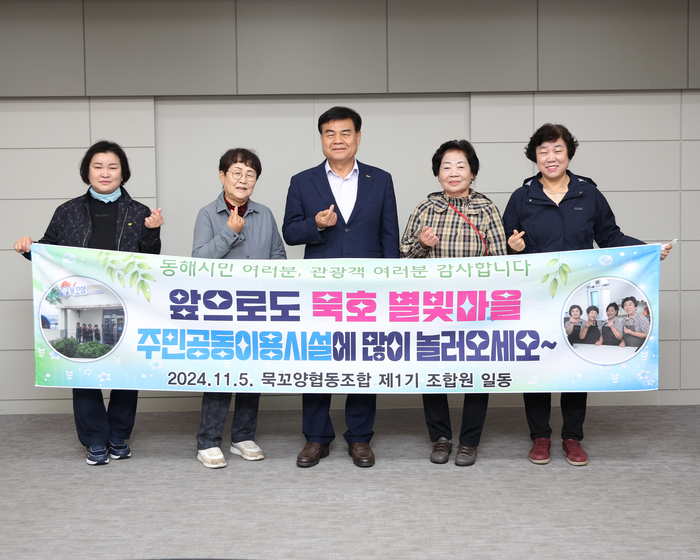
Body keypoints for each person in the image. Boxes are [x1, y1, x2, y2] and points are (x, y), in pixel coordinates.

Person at [502, 123, 672, 467]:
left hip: (577, 295)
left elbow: (610, 236)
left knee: (574, 361)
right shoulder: (522, 197)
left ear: (569, 154)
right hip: (536, 296)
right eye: (543, 151)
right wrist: (513, 246)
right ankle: (539, 436)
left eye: (557, 150)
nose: (551, 157)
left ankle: (572, 437)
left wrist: (648, 250)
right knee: (536, 364)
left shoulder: (588, 193)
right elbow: (504, 244)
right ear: (535, 157)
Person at [14, 140, 163, 465]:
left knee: (127, 372)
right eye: (98, 166)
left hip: (127, 304)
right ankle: (95, 439)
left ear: (123, 173)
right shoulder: (67, 211)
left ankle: (119, 435)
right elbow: (49, 252)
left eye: (112, 167)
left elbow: (150, 263)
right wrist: (29, 247)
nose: (105, 172)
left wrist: (152, 232)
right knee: (83, 370)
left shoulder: (140, 212)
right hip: (79, 300)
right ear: (87, 172)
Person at [283, 106, 399, 468]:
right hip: (320, 289)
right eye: (329, 133)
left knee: (363, 360)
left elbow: (389, 237)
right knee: (317, 358)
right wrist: (316, 225)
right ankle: (316, 437)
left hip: (368, 290)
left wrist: (391, 285)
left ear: (358, 137)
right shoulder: (302, 181)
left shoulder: (381, 180)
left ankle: (360, 437)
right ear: (321, 138)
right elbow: (290, 232)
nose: (338, 140)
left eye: (345, 133)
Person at [400, 140, 508, 467]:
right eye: (446, 166)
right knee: (433, 371)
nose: (453, 172)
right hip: (432, 307)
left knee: (476, 372)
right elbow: (402, 261)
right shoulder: (424, 209)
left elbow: (501, 262)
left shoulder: (486, 209)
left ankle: (469, 441)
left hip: (476, 307)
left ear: (472, 172)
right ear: (438, 174)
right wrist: (422, 245)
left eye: (461, 165)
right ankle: (441, 437)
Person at [192, 148, 286, 469]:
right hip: (220, 309)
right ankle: (208, 441)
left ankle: (243, 436)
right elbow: (198, 261)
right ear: (222, 176)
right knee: (220, 373)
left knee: (251, 373)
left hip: (257, 308)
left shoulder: (265, 214)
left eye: (250, 175)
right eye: (236, 173)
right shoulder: (208, 214)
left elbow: (278, 258)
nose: (243, 180)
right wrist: (229, 233)